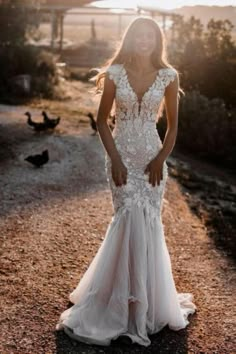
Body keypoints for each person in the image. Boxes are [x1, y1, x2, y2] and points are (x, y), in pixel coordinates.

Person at [56, 16, 196, 347]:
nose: (144, 40)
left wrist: (161, 159)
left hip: (151, 157)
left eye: (150, 35)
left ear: (157, 40)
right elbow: (103, 122)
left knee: (147, 220)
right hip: (121, 157)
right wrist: (115, 159)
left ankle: (144, 303)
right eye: (138, 35)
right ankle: (115, 301)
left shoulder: (169, 76)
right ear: (130, 39)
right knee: (126, 217)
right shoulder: (115, 74)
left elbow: (173, 127)